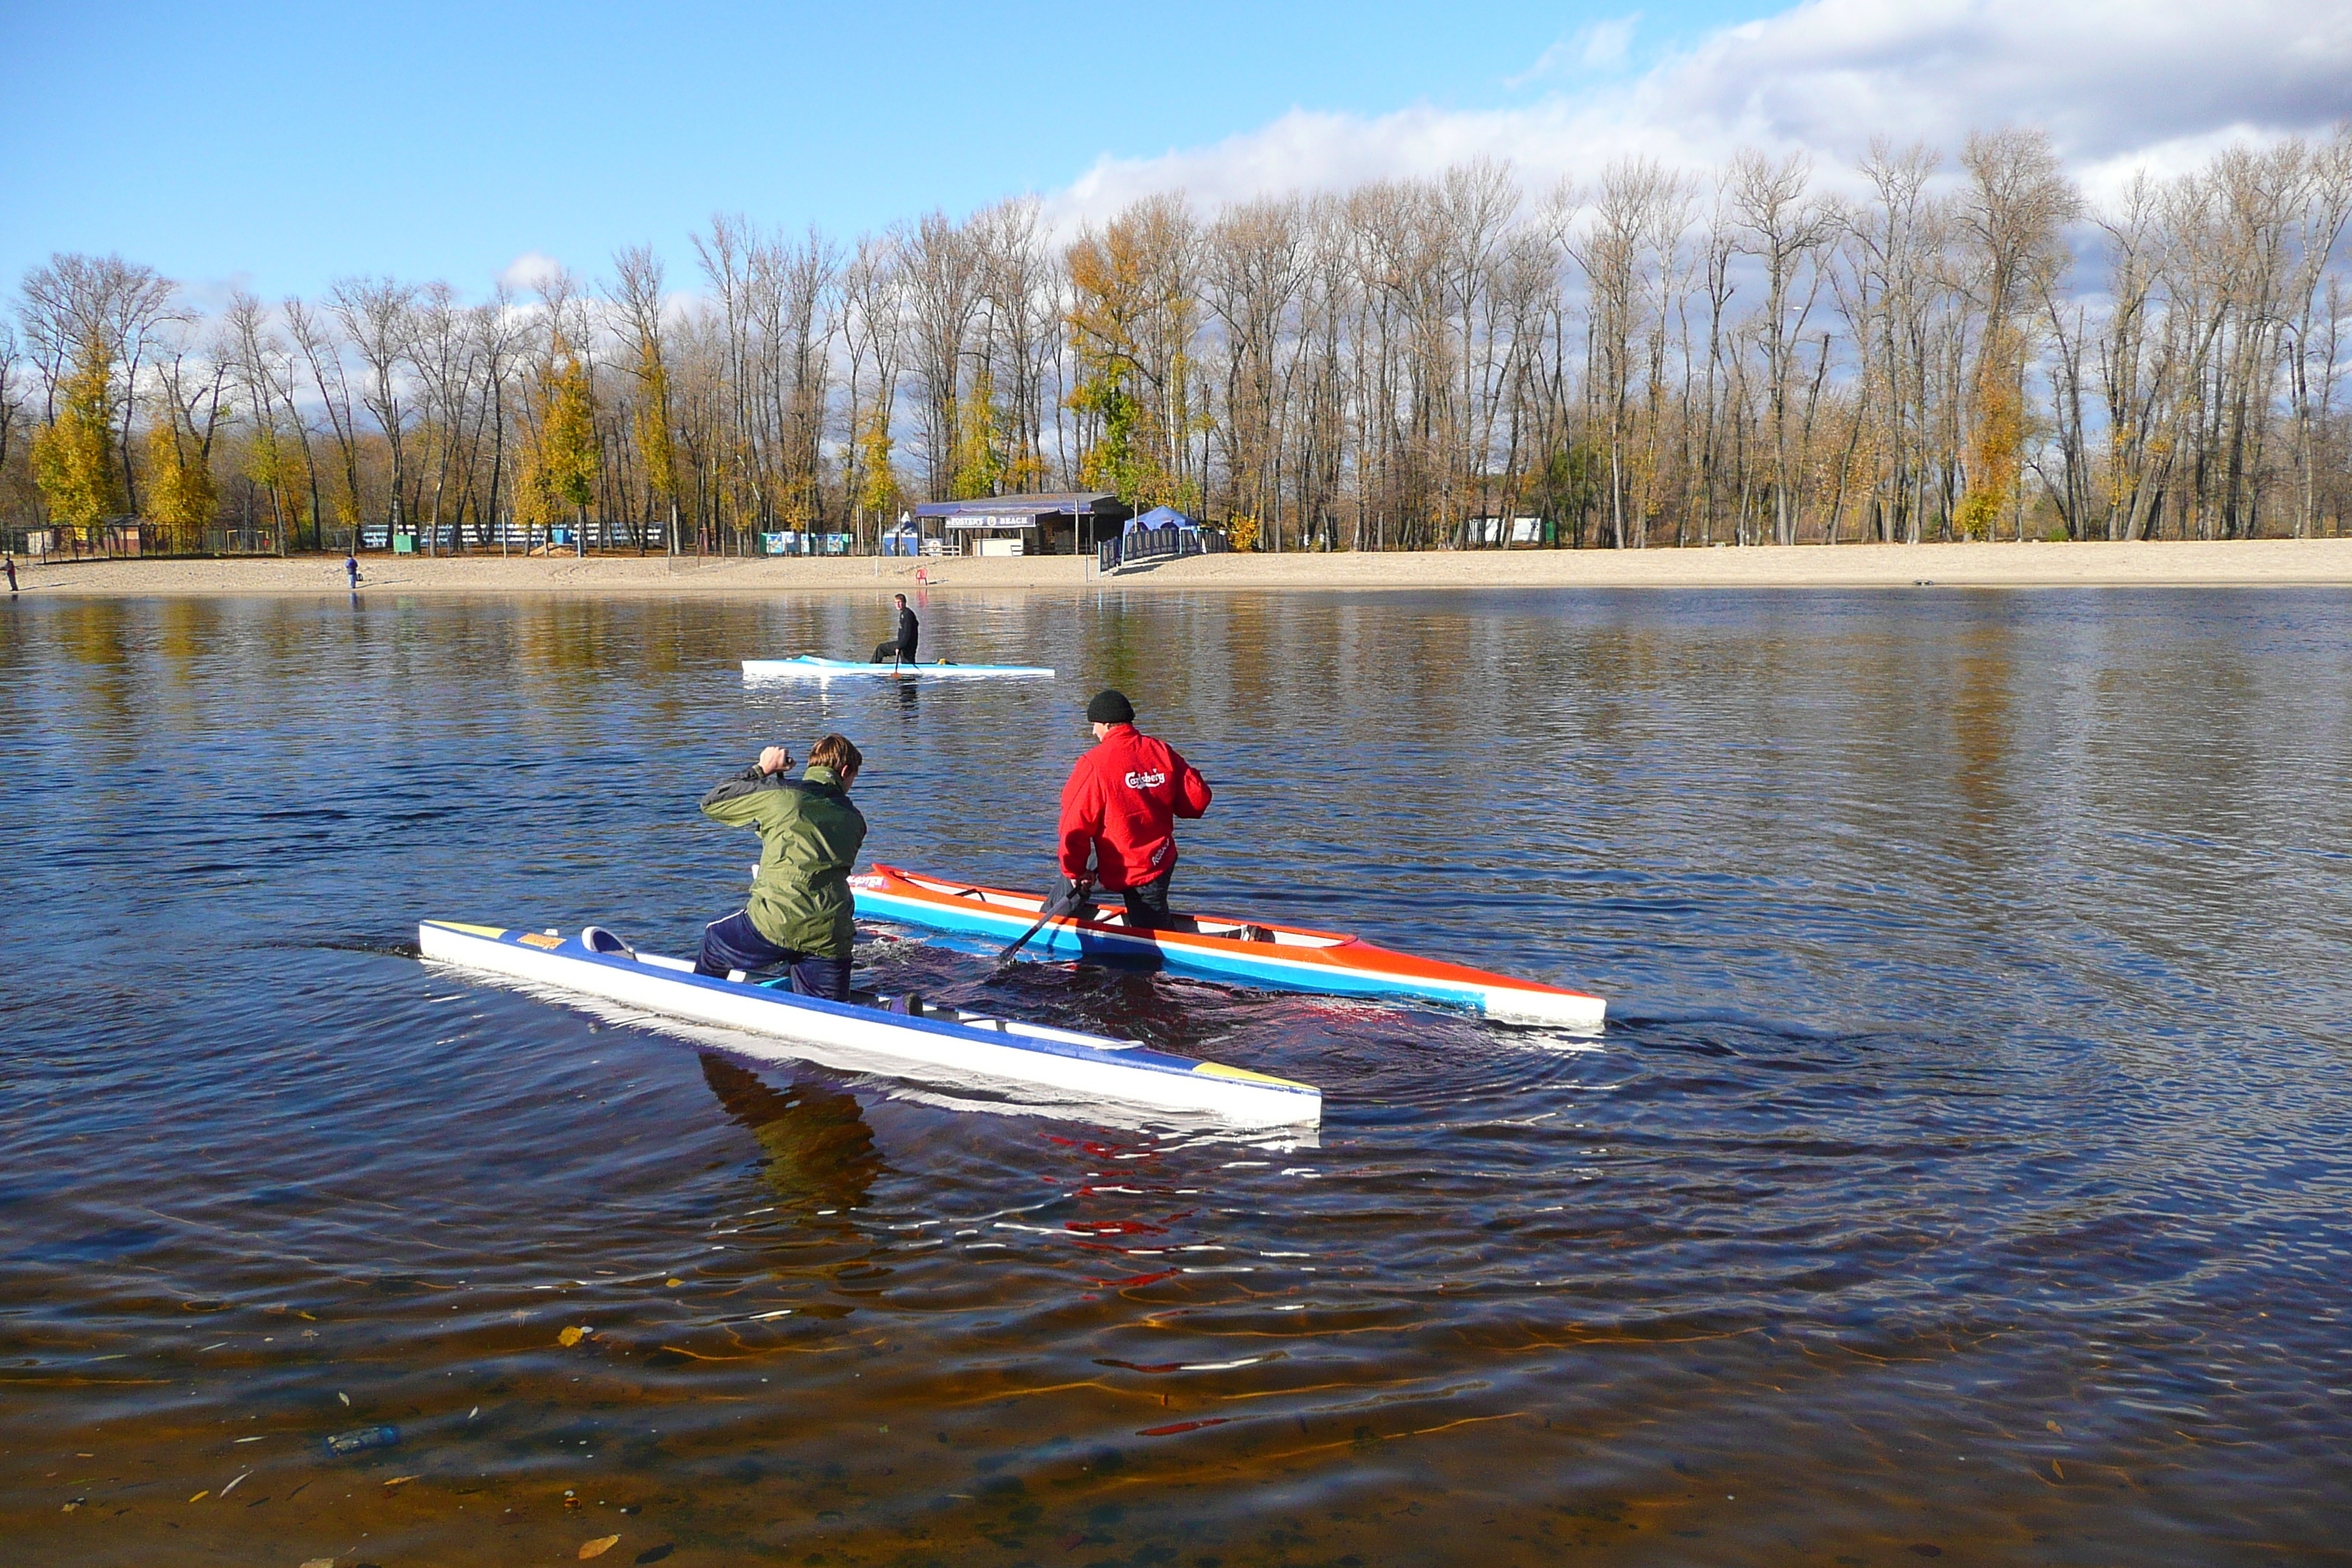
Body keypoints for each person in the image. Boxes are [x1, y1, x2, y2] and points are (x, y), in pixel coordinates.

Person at [696, 733, 867, 999]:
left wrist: (763, 770)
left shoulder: (781, 796)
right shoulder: (855, 820)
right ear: (846, 771)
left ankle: (698, 1002)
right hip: (831, 933)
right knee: (828, 1012)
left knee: (714, 941)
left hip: (775, 922)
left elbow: (712, 803)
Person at [1055, 690, 1211, 932]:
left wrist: (1075, 871)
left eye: (1095, 725)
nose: (1093, 732)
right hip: (1157, 858)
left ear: (1107, 725)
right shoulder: (1159, 750)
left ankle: (1049, 926)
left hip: (1134, 864)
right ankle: (1059, 913)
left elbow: (1073, 828)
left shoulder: (1094, 763)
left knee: (1152, 937)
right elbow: (1197, 801)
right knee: (1081, 874)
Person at [892, 592, 919, 670]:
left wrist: (899, 647)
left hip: (908, 646)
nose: (898, 605)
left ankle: (872, 667)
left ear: (904, 603)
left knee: (881, 649)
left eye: (899, 602)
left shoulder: (908, 615)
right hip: (904, 644)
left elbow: (907, 633)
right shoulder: (903, 613)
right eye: (896, 603)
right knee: (881, 648)